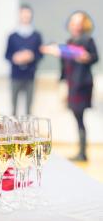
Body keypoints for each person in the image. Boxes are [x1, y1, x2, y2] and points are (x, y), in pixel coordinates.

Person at [41, 11, 99, 161]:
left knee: (79, 117)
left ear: (84, 25)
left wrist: (84, 57)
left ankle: (82, 153)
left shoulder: (87, 40)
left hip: (82, 85)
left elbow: (93, 57)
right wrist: (62, 83)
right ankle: (81, 152)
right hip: (71, 84)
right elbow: (65, 63)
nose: (75, 25)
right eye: (73, 22)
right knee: (77, 117)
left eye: (79, 22)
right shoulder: (69, 42)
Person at [5, 4, 43, 116]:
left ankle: (27, 131)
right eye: (23, 14)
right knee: (14, 108)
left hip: (30, 75)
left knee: (29, 108)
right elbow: (7, 55)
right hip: (15, 76)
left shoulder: (36, 36)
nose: (25, 16)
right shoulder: (12, 36)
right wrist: (15, 57)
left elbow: (40, 54)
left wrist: (31, 56)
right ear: (19, 15)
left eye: (28, 14)